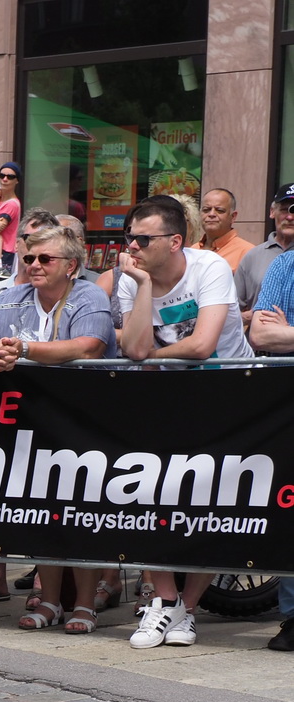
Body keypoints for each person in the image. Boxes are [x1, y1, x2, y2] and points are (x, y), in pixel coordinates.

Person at [115, 195, 251, 649]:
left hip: (228, 392)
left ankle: (188, 610)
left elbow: (201, 345)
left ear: (175, 242)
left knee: (218, 501)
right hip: (169, 396)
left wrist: (152, 355)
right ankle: (166, 602)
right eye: (129, 237)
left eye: (143, 238)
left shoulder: (208, 267)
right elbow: (131, 349)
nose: (132, 246)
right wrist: (143, 285)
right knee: (146, 490)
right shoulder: (132, 278)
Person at [0, 224, 117, 633]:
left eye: (44, 259)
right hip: (31, 423)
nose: (33, 265)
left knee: (81, 514)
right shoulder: (11, 296)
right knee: (44, 514)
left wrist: (26, 350)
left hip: (85, 422)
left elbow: (89, 346)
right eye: (28, 258)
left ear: (71, 266)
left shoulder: (90, 294)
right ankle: (49, 601)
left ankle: (84, 605)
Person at [236, 184, 294, 314]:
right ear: (272, 212)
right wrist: (254, 316)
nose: (290, 217)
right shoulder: (252, 256)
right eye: (284, 210)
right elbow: (230, 312)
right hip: (257, 331)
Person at [196, 189, 253, 270]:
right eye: (206, 210)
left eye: (219, 210)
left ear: (233, 217)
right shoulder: (192, 250)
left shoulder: (248, 253)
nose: (211, 214)